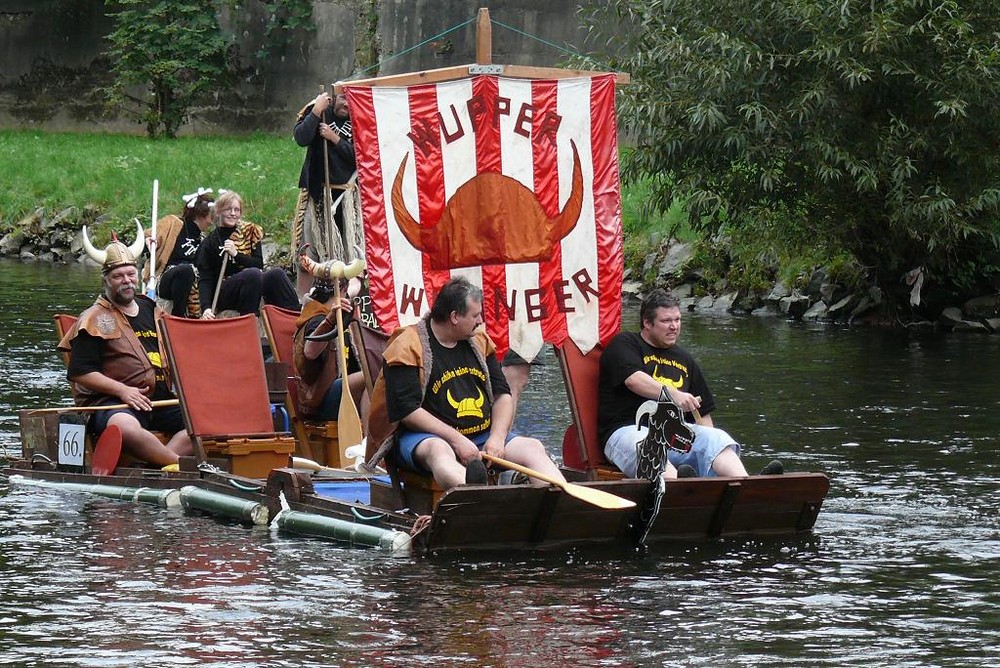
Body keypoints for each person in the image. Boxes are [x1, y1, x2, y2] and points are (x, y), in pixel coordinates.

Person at [366, 276, 567, 491]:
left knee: (532, 447)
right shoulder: (407, 346)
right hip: (425, 438)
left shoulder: (479, 341)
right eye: (475, 315)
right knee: (438, 452)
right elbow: (407, 410)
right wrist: (456, 440)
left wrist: (497, 438)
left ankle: (562, 505)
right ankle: (487, 504)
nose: (480, 321)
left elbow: (502, 395)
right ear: (454, 316)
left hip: (482, 437)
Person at [598, 289, 783, 479]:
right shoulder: (625, 343)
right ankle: (681, 488)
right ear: (647, 323)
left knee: (717, 439)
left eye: (677, 320)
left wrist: (710, 448)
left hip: (674, 433)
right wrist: (674, 394)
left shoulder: (685, 359)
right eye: (666, 321)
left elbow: (701, 414)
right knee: (648, 445)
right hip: (627, 432)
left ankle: (747, 486)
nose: (674, 326)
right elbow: (633, 380)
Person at [58, 229, 193, 467]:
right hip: (114, 404)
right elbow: (80, 372)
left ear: (138, 275)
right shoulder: (93, 318)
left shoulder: (151, 308)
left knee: (205, 420)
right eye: (118, 276)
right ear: (106, 280)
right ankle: (179, 466)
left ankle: (158, 466)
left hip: (160, 401)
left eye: (130, 274)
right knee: (124, 427)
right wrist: (123, 391)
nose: (126, 281)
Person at [195, 190, 300, 319]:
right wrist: (206, 308)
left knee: (276, 274)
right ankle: (249, 320)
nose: (233, 213)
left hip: (252, 283)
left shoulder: (250, 231)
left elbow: (258, 264)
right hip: (226, 291)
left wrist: (236, 254)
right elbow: (205, 279)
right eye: (228, 209)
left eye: (237, 210)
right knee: (253, 274)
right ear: (218, 211)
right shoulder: (209, 243)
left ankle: (296, 318)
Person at [292, 90, 356, 285]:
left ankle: (345, 300)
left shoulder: (362, 117)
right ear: (335, 96)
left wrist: (334, 138)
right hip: (317, 194)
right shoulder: (319, 109)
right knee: (309, 252)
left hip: (347, 198)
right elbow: (301, 138)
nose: (347, 104)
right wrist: (316, 111)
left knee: (349, 255)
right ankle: (305, 303)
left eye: (351, 100)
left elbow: (364, 158)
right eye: (344, 98)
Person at [292, 255, 367, 422]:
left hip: (342, 389)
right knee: (373, 375)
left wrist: (359, 276)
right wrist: (330, 321)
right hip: (321, 399)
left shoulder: (342, 303)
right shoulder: (316, 319)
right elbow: (310, 352)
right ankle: (369, 442)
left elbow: (353, 288)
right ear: (342, 289)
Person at [144, 188, 214, 317]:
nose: (212, 221)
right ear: (202, 214)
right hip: (166, 280)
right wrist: (148, 241)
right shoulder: (172, 224)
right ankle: (178, 316)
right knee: (185, 270)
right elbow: (149, 237)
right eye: (211, 216)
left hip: (193, 283)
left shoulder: (204, 239)